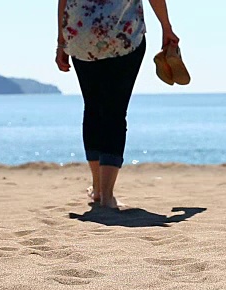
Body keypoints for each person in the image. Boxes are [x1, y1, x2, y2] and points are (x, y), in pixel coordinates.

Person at [56, 0, 180, 209]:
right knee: (114, 112)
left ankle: (97, 189)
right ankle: (107, 196)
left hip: (81, 34)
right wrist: (166, 27)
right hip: (122, 34)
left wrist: (61, 41)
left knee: (93, 108)